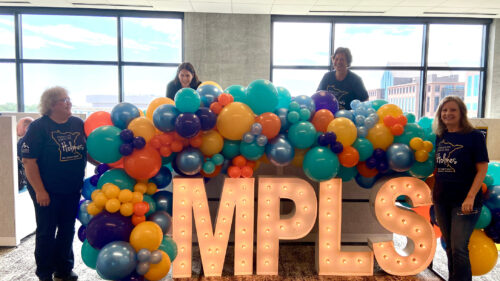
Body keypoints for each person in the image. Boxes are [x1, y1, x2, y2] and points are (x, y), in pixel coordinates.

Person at [22, 86, 86, 281]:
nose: (69, 103)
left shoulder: (77, 123)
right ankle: (44, 273)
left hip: (72, 188)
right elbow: (28, 161)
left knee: (67, 229)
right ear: (51, 105)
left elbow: (87, 150)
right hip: (46, 190)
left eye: (69, 99)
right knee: (47, 231)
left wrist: (107, 164)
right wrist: (40, 191)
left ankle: (64, 269)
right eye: (64, 100)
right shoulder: (39, 127)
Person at [432, 95, 489, 281]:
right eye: (444, 110)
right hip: (442, 199)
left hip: (465, 200)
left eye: (452, 110)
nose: (448, 113)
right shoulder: (440, 136)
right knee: (449, 246)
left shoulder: (474, 137)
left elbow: (482, 169)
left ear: (462, 113)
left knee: (459, 248)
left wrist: (471, 197)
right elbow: (438, 167)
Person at [17, 116, 34, 191]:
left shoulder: (23, 142)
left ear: (26, 127)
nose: (16, 129)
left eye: (18, 126)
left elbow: (22, 160)